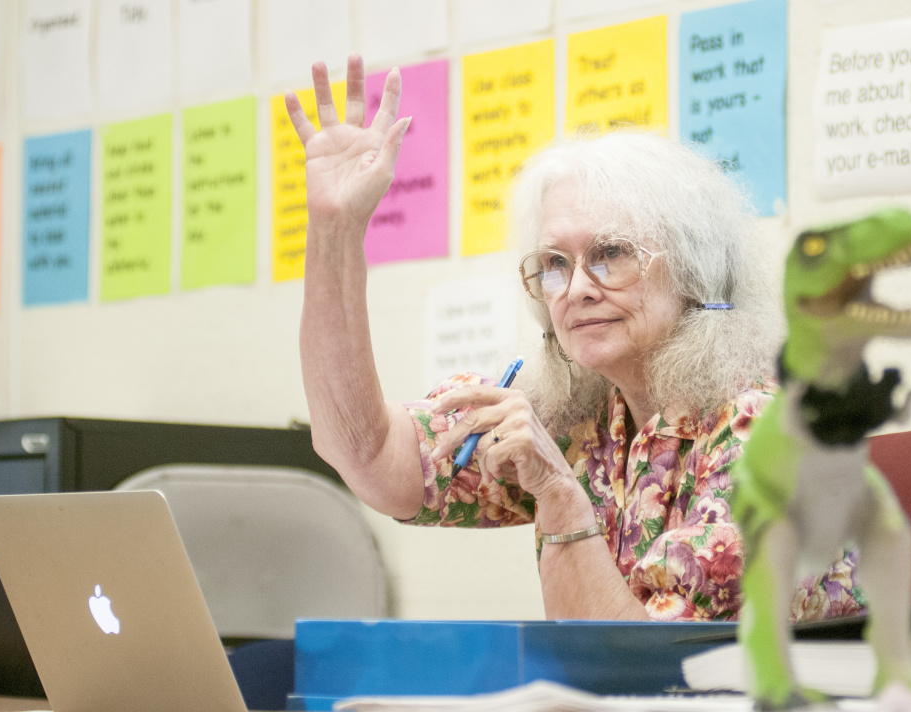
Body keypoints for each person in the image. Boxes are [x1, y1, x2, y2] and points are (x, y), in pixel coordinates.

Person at [285, 55, 863, 621]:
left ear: (693, 269)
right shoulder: (578, 410)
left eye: (611, 254)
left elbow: (646, 672)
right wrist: (335, 230)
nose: (576, 289)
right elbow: (367, 454)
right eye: (554, 263)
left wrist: (559, 497)